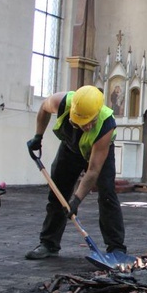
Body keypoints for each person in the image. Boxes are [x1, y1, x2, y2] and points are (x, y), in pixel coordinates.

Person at [25, 85, 128, 261]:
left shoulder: (106, 124)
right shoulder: (62, 101)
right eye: (82, 123)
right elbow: (43, 107)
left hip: (97, 154)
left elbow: (93, 171)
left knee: (107, 195)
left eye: (90, 122)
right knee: (57, 193)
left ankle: (116, 248)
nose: (87, 126)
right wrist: (38, 136)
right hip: (70, 149)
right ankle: (48, 244)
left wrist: (76, 200)